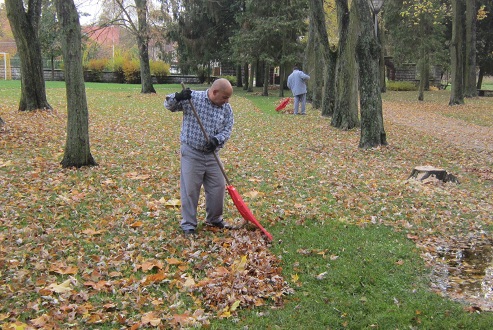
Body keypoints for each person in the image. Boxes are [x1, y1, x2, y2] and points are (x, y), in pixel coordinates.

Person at [164, 78, 234, 236]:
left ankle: (214, 219)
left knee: (218, 187)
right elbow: (168, 105)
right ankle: (188, 224)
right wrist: (179, 96)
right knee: (190, 190)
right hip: (191, 152)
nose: (227, 101)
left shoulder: (226, 109)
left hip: (212, 155)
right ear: (215, 92)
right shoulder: (192, 98)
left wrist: (217, 140)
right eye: (224, 97)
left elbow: (228, 128)